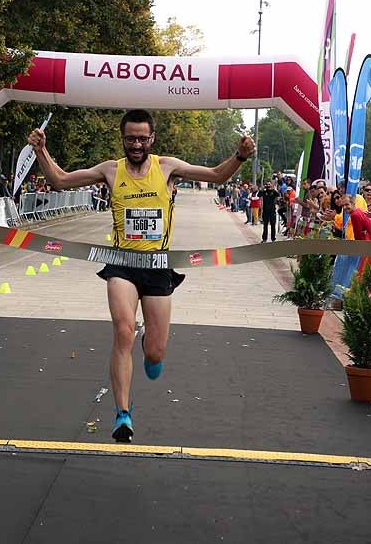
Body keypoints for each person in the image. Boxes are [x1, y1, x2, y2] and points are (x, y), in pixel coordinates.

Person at [27, 109, 255, 443]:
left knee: (155, 354)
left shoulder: (168, 167)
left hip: (158, 266)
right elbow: (60, 180)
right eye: (130, 138)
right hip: (122, 264)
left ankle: (151, 344)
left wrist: (240, 156)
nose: (136, 144)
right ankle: (122, 414)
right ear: (123, 139)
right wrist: (40, 151)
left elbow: (217, 175)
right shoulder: (110, 170)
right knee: (123, 332)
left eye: (142, 138)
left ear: (152, 139)